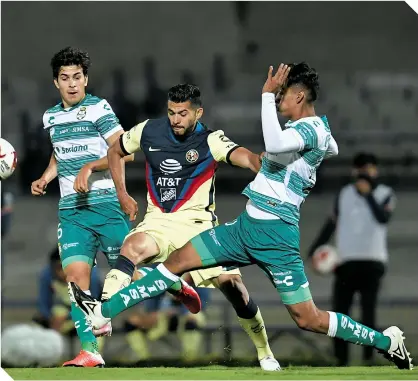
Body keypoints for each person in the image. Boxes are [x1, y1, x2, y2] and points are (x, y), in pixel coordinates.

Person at [71, 63, 413, 371]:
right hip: (245, 227)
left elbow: (276, 142)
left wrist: (265, 97)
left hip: (277, 235)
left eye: (282, 95)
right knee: (177, 262)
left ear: (299, 95)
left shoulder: (307, 131)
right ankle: (101, 312)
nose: (279, 100)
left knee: (307, 319)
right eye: (275, 95)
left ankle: (387, 342)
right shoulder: (315, 131)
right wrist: (323, 142)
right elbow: (324, 145)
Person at [30, 46, 199, 367]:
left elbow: (123, 150)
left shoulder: (98, 109)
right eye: (65, 78)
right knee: (75, 279)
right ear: (56, 82)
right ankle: (90, 350)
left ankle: (173, 283)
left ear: (86, 78)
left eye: (77, 77)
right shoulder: (50, 116)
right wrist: (46, 177)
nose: (72, 84)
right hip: (71, 211)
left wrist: (96, 173)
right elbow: (60, 152)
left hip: (105, 205)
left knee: (131, 275)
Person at [93, 83, 280, 371]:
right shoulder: (147, 130)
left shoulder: (211, 139)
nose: (176, 119)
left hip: (200, 226)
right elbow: (115, 151)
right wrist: (122, 192)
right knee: (131, 248)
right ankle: (102, 312)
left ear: (198, 112)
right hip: (159, 222)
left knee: (235, 290)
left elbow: (244, 156)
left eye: (182, 113)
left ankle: (265, 352)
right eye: (171, 113)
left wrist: (259, 161)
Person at [308, 152, 396, 366]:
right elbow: (331, 224)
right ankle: (341, 359)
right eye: (360, 169)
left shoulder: (385, 193)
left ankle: (368, 359)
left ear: (375, 170)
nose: (364, 173)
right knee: (340, 314)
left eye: (368, 168)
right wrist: (314, 250)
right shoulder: (344, 194)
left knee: (368, 312)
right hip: (345, 262)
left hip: (372, 262)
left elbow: (382, 218)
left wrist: (367, 195)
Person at [32, 248, 102, 344]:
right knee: (39, 322)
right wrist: (49, 317)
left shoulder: (90, 275)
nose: (63, 273)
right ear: (52, 267)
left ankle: (92, 355)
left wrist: (67, 317)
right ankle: (49, 352)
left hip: (91, 312)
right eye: (59, 268)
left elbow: (92, 305)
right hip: (66, 310)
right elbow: (44, 302)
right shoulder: (47, 275)